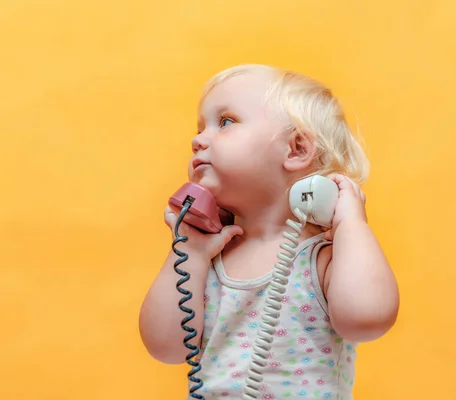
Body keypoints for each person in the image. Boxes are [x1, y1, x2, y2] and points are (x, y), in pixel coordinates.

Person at [138, 64, 399, 399]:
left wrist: (351, 224)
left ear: (296, 149)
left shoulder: (323, 257)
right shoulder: (207, 257)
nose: (197, 140)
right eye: (200, 127)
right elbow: (165, 348)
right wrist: (188, 251)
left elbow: (368, 318)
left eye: (226, 121)